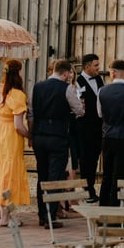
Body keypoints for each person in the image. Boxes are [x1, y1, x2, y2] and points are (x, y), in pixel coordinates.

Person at [29, 59, 84, 229]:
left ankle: (41, 214)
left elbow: (31, 113)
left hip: (39, 135)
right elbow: (79, 109)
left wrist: (31, 134)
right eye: (69, 74)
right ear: (66, 73)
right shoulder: (66, 88)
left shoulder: (37, 87)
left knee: (42, 175)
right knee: (55, 176)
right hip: (58, 136)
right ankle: (50, 216)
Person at [0, 60, 31, 226]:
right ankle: (6, 216)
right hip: (10, 135)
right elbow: (18, 126)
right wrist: (30, 135)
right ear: (17, 73)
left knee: (2, 169)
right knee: (10, 172)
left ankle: (0, 209)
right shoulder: (17, 94)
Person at [97, 59, 124, 206]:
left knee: (106, 173)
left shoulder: (102, 91)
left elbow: (100, 114)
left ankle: (103, 203)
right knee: (119, 174)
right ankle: (115, 204)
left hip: (107, 135)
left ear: (112, 73)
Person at [77, 53, 104, 202]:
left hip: (98, 127)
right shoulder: (78, 81)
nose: (98, 68)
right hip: (84, 127)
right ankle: (87, 190)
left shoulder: (99, 80)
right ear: (87, 66)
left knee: (94, 158)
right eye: (96, 65)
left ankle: (91, 187)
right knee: (85, 159)